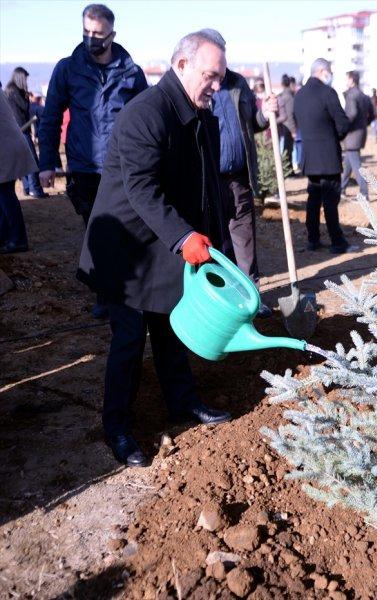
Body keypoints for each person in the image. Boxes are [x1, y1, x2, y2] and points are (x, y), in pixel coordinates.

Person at [77, 29, 235, 467]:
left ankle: (182, 400)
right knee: (129, 338)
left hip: (161, 243)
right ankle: (118, 427)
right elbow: (142, 188)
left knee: (170, 325)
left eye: (221, 77)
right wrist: (184, 237)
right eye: (210, 75)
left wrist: (215, 242)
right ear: (181, 65)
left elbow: (205, 187)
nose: (217, 86)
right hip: (125, 249)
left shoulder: (202, 114)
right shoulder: (145, 113)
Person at [38, 3, 147, 225]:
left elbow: (146, 123)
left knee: (125, 232)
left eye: (97, 33)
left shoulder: (132, 74)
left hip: (122, 167)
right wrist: (47, 163)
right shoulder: (68, 69)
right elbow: (50, 118)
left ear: (111, 35)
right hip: (83, 169)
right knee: (95, 230)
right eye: (86, 32)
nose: (91, 38)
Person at [211, 62, 279, 318]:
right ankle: (221, 301)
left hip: (239, 176)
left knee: (245, 240)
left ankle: (252, 298)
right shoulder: (199, 84)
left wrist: (266, 113)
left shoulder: (238, 83)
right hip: (211, 180)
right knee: (216, 242)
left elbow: (254, 123)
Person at [293, 58, 353, 254]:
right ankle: (337, 242)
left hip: (309, 157)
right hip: (328, 158)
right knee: (330, 201)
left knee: (313, 199)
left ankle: (313, 239)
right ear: (321, 71)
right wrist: (333, 137)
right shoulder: (328, 93)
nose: (330, 75)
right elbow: (342, 124)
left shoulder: (299, 95)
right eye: (329, 71)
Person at [3, 67, 47, 199]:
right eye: (26, 79)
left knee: (22, 162)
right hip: (21, 130)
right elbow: (25, 108)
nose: (27, 81)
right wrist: (27, 96)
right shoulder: (15, 92)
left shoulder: (8, 91)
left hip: (15, 131)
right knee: (31, 160)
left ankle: (28, 188)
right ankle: (35, 189)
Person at [0, 93, 36, 254]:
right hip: (9, 146)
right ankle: (6, 237)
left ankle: (18, 239)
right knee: (4, 196)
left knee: (5, 195)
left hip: (5, 148)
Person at [341, 70, 374, 200]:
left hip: (352, 134)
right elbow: (372, 115)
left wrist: (344, 126)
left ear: (352, 80)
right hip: (360, 133)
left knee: (356, 166)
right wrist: (364, 125)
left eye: (347, 79)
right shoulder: (364, 96)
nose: (346, 81)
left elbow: (352, 113)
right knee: (348, 163)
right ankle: (341, 189)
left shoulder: (351, 95)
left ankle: (364, 193)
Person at [276, 74, 296, 173]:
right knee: (288, 149)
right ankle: (288, 170)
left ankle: (287, 169)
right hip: (288, 126)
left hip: (282, 126)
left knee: (285, 149)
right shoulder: (289, 97)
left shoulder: (281, 96)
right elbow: (290, 114)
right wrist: (293, 130)